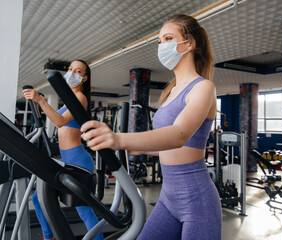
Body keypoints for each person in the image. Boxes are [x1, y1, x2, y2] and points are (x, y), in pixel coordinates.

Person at [80, 14, 222, 239]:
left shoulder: (203, 87)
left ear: (189, 44)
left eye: (168, 38)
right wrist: (137, 148)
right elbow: (171, 147)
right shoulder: (169, 92)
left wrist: (118, 139)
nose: (162, 46)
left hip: (197, 198)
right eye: (160, 41)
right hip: (168, 196)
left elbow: (179, 135)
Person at [23, 60, 103, 240]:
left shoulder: (80, 98)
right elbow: (57, 118)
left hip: (78, 161)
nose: (73, 72)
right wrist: (39, 104)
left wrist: (41, 100)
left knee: (84, 212)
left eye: (78, 71)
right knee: (38, 198)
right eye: (71, 69)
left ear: (84, 78)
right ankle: (48, 236)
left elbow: (59, 122)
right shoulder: (68, 99)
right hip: (68, 159)